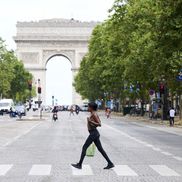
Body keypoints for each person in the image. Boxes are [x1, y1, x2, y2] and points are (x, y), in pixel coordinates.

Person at [71, 102, 114, 170]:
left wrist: (90, 121)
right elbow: (98, 122)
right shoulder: (93, 113)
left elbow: (99, 124)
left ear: (91, 108)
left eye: (88, 107)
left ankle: (79, 164)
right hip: (94, 133)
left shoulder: (94, 114)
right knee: (101, 149)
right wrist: (91, 121)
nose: (88, 108)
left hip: (93, 133)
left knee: (84, 147)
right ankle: (110, 163)